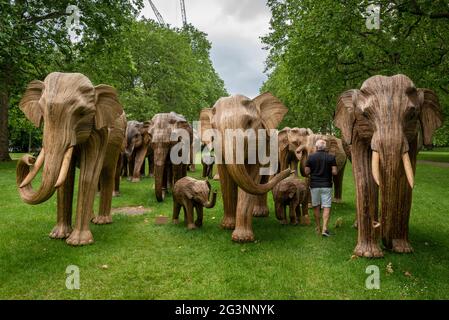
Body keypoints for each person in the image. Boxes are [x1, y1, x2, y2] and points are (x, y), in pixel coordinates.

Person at [304, 139, 337, 237]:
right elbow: (334, 172)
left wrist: (313, 169)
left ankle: (318, 227)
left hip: (314, 185)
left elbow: (306, 172)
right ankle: (325, 229)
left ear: (316, 147)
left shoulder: (310, 157)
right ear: (325, 147)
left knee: (316, 206)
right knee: (326, 206)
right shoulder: (331, 157)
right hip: (327, 185)